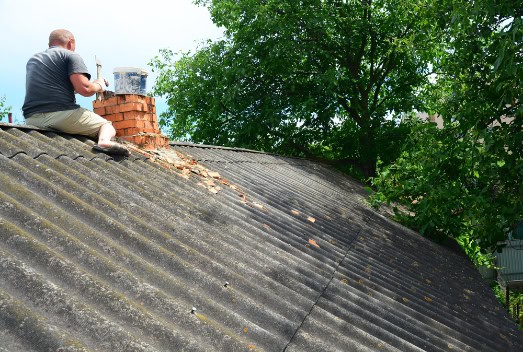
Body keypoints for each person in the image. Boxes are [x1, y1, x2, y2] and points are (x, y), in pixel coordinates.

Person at [23, 29, 130, 156]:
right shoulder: (70, 55)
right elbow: (85, 89)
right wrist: (100, 85)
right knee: (106, 126)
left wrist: (94, 83)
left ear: (50, 44)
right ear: (70, 42)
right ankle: (104, 141)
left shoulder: (34, 59)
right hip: (61, 115)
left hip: (32, 118)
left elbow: (62, 87)